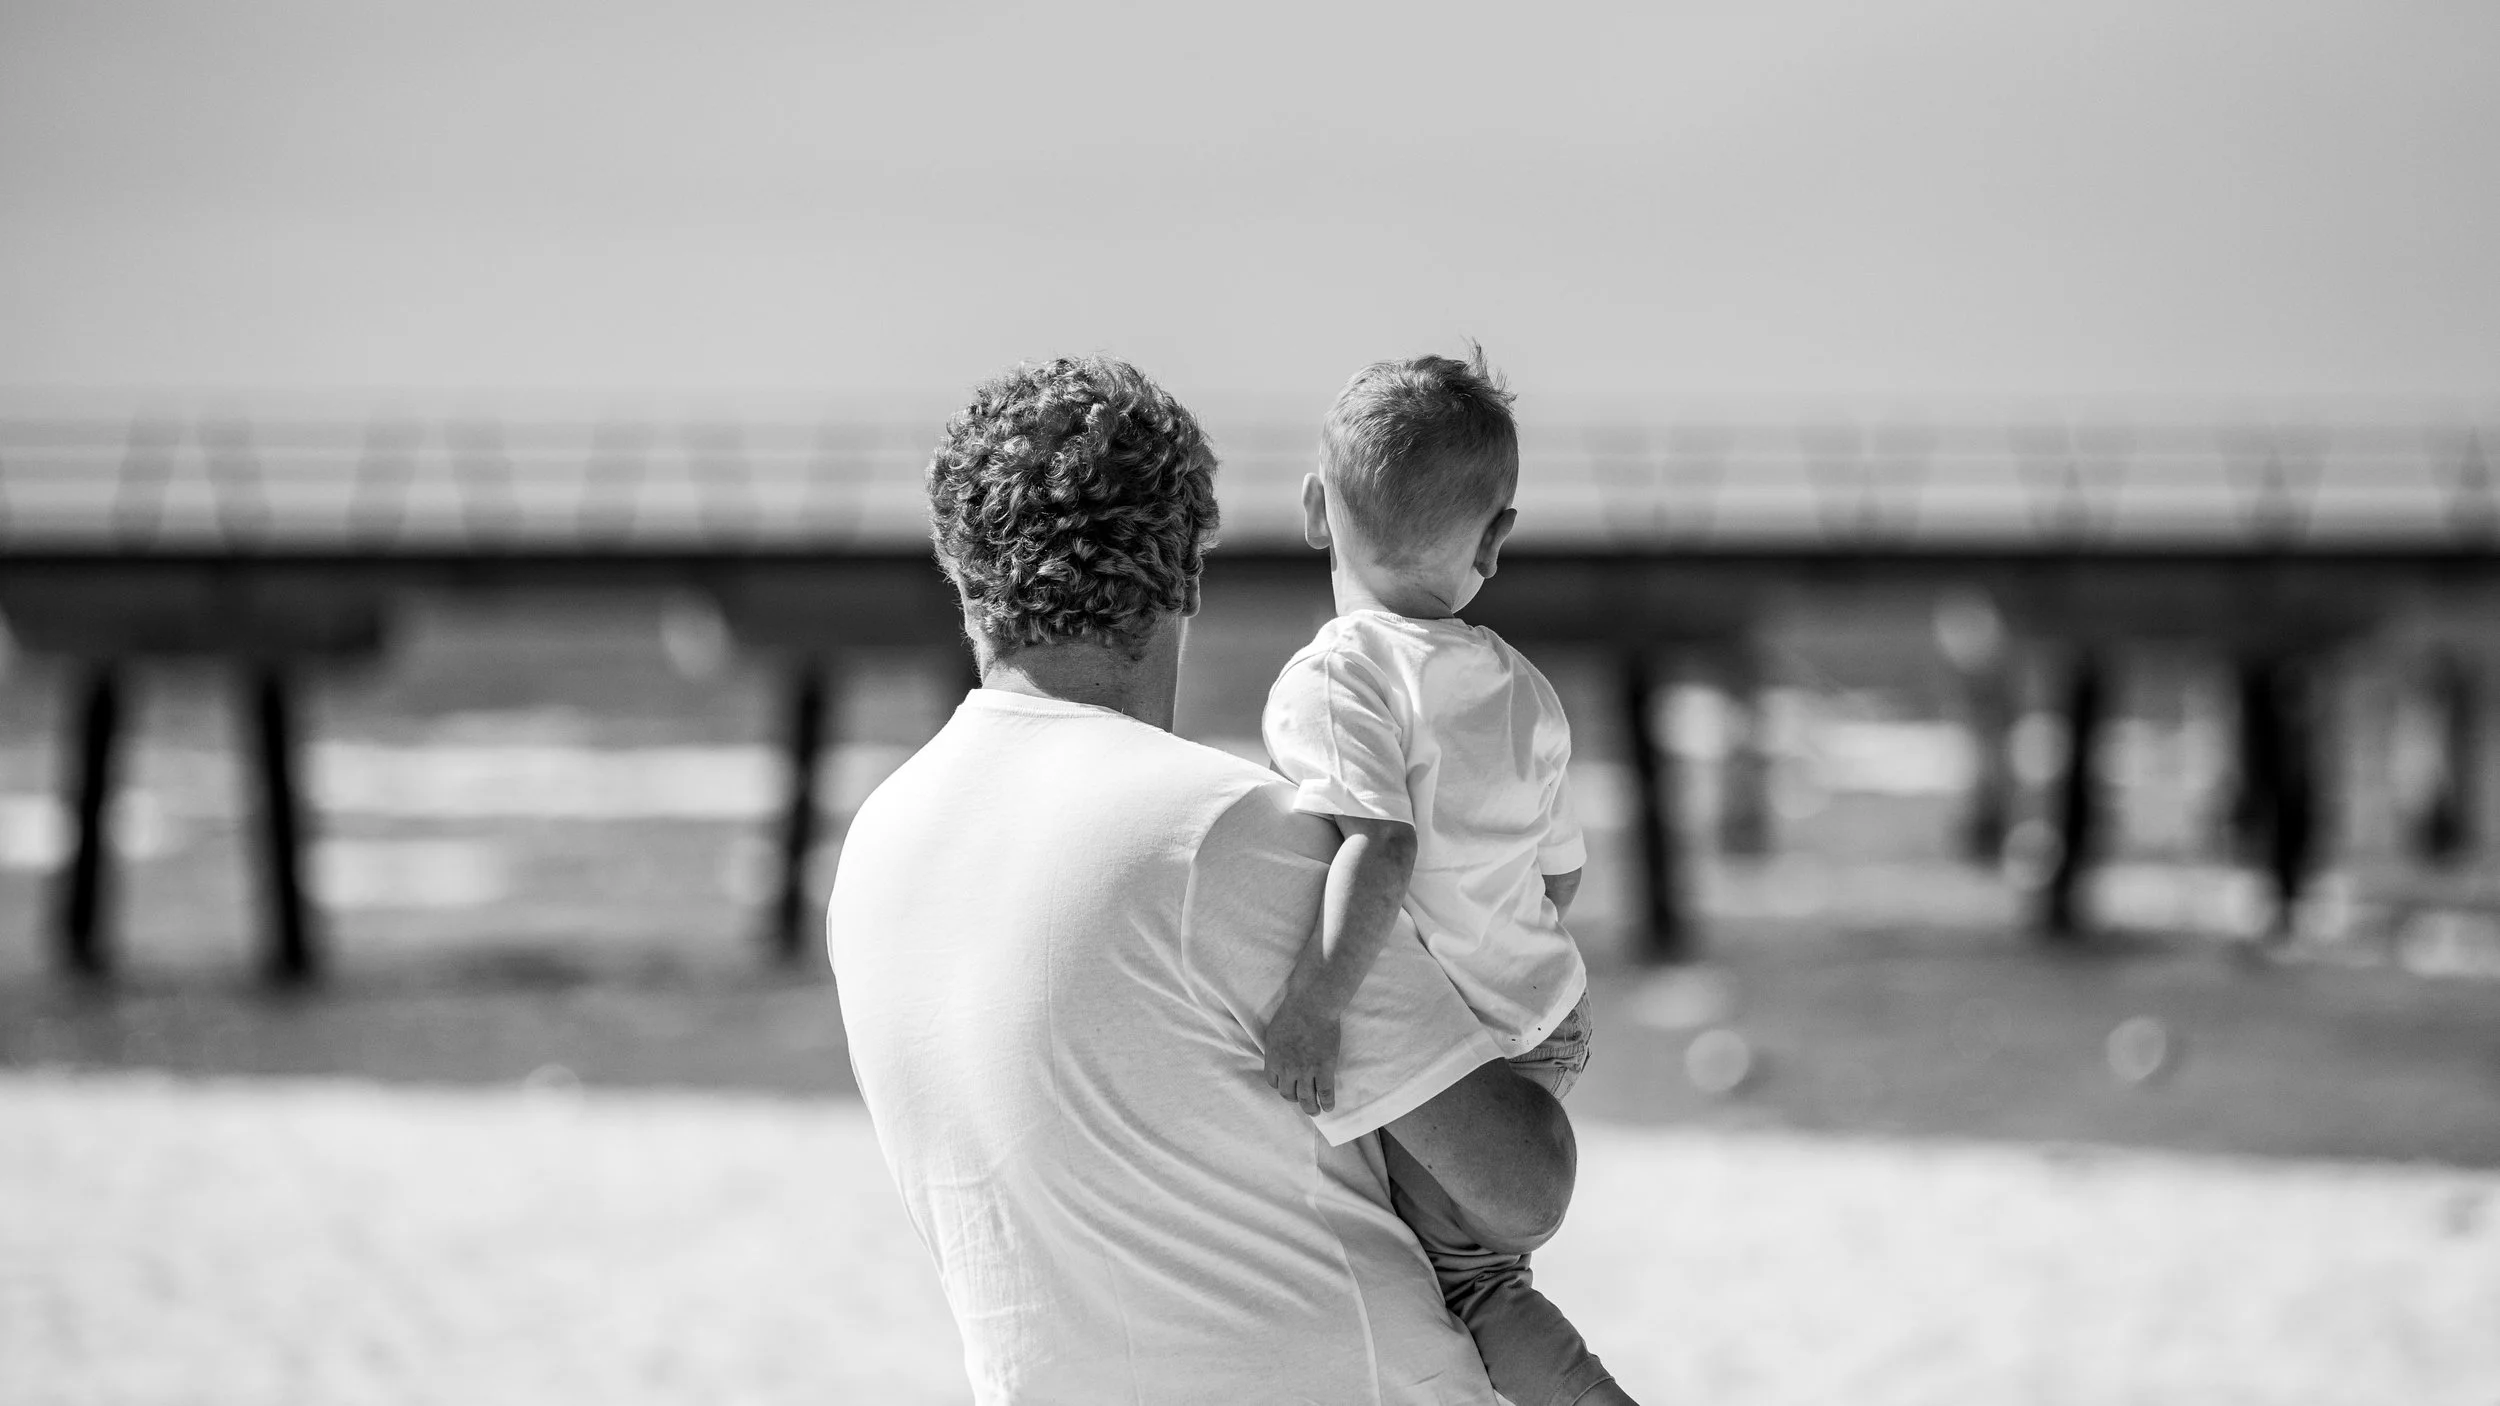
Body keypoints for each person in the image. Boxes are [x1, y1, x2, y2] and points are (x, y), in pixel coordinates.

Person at [826, 355, 1580, 1405]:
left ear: (958, 568)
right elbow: (1520, 1184)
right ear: (1187, 570)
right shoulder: (1225, 830)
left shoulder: (875, 847)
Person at [1259, 348, 1628, 1406]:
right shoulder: (1523, 686)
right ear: (1498, 536)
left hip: (1471, 1038)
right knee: (1476, 1268)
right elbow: (1558, 878)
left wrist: (1314, 1007)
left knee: (1474, 1287)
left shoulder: (1335, 675)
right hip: (1549, 1017)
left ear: (1313, 509)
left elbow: (1381, 843)